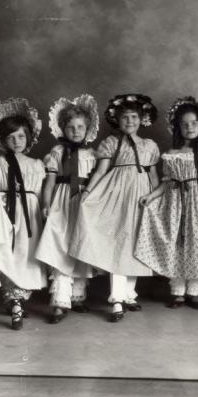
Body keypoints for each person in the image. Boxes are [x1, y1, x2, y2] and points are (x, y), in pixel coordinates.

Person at [135, 96, 198, 309]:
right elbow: (166, 184)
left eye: (194, 123)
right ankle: (178, 292)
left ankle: (196, 292)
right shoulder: (172, 155)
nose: (189, 127)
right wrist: (151, 196)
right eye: (184, 124)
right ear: (178, 128)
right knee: (177, 244)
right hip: (176, 205)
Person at [69, 94, 160, 322]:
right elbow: (100, 172)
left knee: (136, 244)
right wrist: (88, 193)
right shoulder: (111, 143)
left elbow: (153, 175)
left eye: (134, 117)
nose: (130, 121)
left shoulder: (150, 146)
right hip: (117, 196)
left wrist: (156, 198)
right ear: (117, 120)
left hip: (142, 197)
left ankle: (129, 294)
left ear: (142, 119)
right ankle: (116, 299)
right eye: (125, 117)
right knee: (119, 244)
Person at [35, 94, 100, 323]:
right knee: (60, 247)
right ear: (63, 129)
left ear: (88, 128)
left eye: (80, 127)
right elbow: (50, 183)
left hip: (83, 203)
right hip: (62, 203)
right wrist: (46, 204)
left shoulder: (92, 155)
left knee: (80, 245)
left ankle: (77, 296)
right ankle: (60, 302)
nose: (75, 131)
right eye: (70, 127)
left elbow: (98, 182)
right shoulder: (57, 153)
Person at [0, 98, 47, 330]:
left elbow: (39, 194)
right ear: (3, 140)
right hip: (6, 211)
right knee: (7, 252)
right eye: (11, 137)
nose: (16, 141)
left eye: (21, 136)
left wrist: (43, 211)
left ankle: (18, 298)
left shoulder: (37, 165)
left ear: (28, 137)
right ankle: (14, 300)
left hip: (29, 213)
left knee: (25, 253)